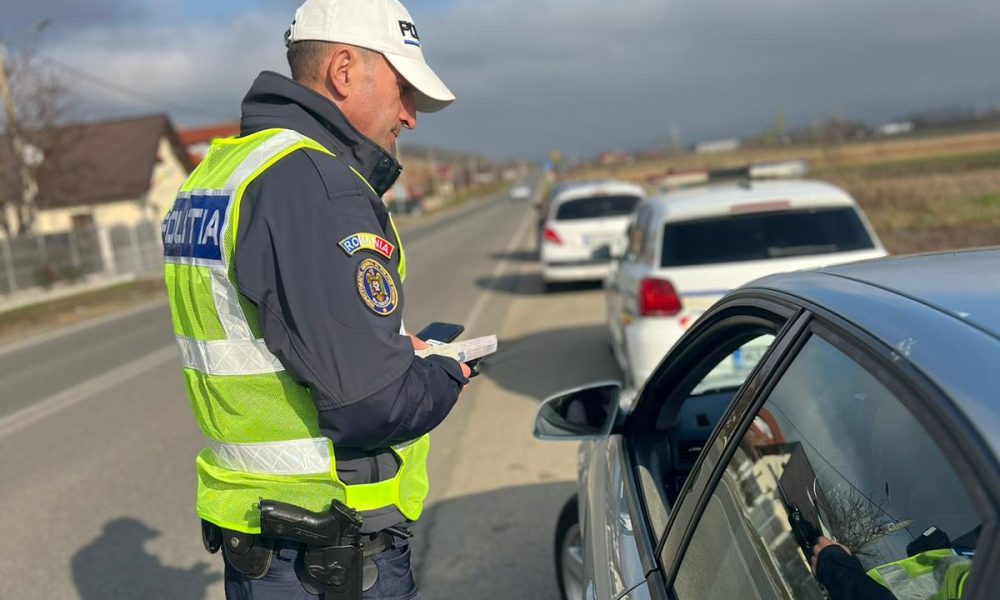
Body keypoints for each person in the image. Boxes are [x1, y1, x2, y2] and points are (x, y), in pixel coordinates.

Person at [160, 0, 470, 598]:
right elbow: (372, 404)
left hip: (262, 542)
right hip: (329, 556)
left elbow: (278, 337)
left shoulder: (222, 173)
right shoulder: (313, 185)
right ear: (344, 71)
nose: (410, 116)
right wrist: (443, 374)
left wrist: (385, 350)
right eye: (403, 90)